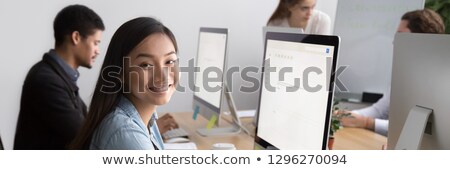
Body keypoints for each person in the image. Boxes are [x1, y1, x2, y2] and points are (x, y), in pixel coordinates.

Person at [70, 17, 179, 150]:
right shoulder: (126, 133)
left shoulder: (145, 118)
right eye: (146, 65)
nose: (162, 76)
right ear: (120, 73)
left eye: (170, 61)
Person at [336, 9, 445, 136]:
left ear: (421, 41)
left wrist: (367, 122)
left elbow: (419, 130)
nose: (393, 42)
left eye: (400, 35)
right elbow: (380, 111)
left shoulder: (440, 82)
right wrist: (345, 116)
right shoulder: (404, 73)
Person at [14, 4, 105, 149]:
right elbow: (84, 137)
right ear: (76, 37)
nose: (98, 51)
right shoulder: (46, 80)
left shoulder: (61, 77)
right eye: (95, 43)